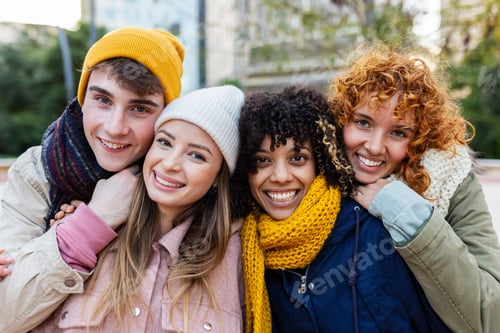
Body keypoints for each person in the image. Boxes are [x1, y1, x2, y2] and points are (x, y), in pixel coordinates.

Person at [0, 26, 184, 332]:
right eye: (103, 100)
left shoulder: (187, 184)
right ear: (83, 99)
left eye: (139, 108)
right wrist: (93, 221)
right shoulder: (36, 172)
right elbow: (4, 311)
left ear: (166, 115)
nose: (115, 127)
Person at [231, 85, 451, 332]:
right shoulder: (244, 251)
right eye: (262, 160)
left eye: (297, 158)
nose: (281, 176)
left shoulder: (376, 233)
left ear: (320, 162)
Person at [29, 85, 245, 333]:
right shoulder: (87, 230)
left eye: (196, 156)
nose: (170, 163)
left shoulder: (236, 255)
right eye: (165, 142)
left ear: (219, 176)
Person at [328, 46, 500, 333]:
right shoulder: (308, 178)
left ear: (419, 140)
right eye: (362, 123)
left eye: (398, 132)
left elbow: (490, 317)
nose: (374, 146)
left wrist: (407, 213)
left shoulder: (449, 180)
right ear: (341, 119)